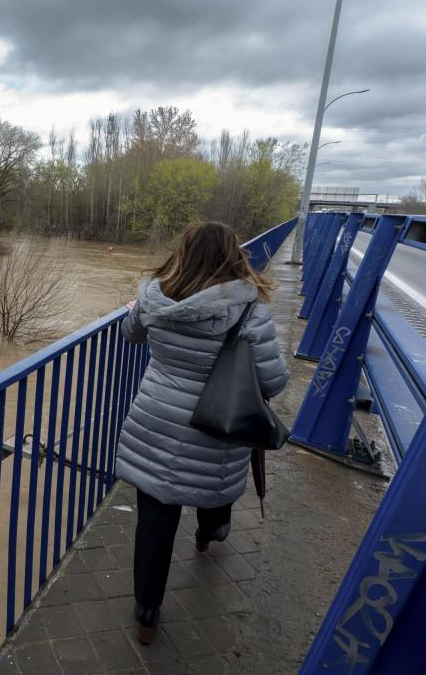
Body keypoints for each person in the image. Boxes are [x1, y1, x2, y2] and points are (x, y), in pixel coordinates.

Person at [113, 221, 290, 644]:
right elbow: (274, 381)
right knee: (211, 485)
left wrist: (131, 310)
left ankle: (147, 613)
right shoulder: (249, 309)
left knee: (154, 521)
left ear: (184, 253)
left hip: (155, 421)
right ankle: (211, 533)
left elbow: (131, 333)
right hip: (214, 425)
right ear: (235, 256)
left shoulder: (154, 296)